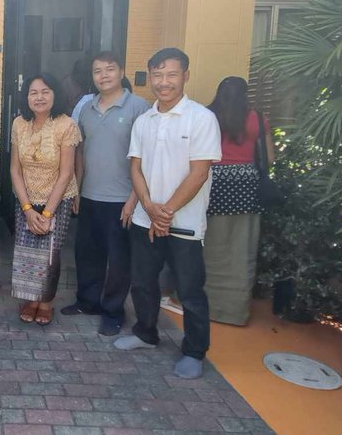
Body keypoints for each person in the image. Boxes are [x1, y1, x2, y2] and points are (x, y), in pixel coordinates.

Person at [114, 47, 220, 381]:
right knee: (143, 282)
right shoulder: (144, 120)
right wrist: (147, 205)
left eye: (171, 74)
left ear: (185, 76)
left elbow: (199, 172)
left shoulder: (201, 118)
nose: (164, 82)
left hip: (184, 224)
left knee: (189, 290)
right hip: (147, 220)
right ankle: (146, 333)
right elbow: (136, 166)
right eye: (157, 75)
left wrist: (167, 211)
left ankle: (194, 351)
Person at [66, 52, 149, 336]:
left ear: (121, 71)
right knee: (87, 253)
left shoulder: (139, 107)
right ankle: (87, 301)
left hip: (122, 199)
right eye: (97, 71)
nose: (103, 76)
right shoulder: (86, 108)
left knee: (119, 260)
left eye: (109, 70)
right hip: (89, 194)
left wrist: (134, 199)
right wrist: (76, 188)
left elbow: (146, 160)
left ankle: (113, 311)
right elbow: (80, 152)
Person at [9, 73, 80, 327]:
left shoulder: (66, 125)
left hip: (57, 199)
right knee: (28, 251)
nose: (39, 97)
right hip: (26, 198)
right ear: (26, 97)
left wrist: (47, 213)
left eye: (45, 91)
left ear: (55, 94)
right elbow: (14, 170)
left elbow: (66, 172)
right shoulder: (19, 123)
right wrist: (28, 209)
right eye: (33, 92)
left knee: (51, 254)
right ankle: (30, 299)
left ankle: (46, 302)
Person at [203, 76, 275, 326]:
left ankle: (205, 304)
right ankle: (234, 312)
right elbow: (270, 157)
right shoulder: (257, 119)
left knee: (209, 246)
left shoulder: (207, 115)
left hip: (212, 183)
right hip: (246, 186)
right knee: (241, 249)